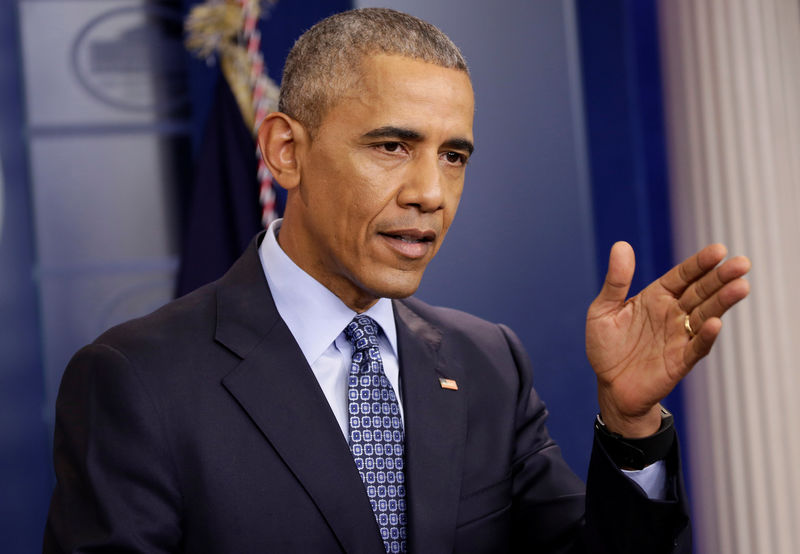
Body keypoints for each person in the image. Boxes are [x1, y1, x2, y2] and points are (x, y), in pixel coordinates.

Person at [43, 8, 751, 554]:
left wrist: (629, 428)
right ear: (286, 151)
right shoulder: (136, 380)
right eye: (392, 146)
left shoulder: (486, 364)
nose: (430, 192)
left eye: (453, 157)